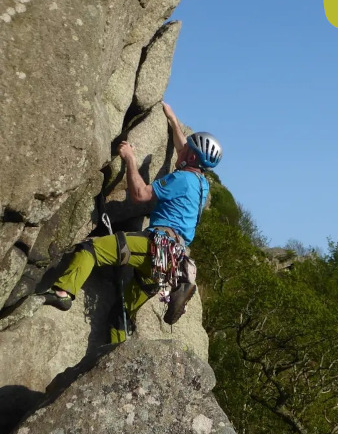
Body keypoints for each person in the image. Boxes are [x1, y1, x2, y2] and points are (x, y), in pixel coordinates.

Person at [41, 103, 222, 343]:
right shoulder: (201, 184)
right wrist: (173, 121)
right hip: (168, 265)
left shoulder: (182, 178)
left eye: (188, 148)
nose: (184, 147)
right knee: (122, 313)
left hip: (155, 246)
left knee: (90, 249)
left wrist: (129, 159)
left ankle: (63, 292)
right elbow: (183, 149)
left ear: (191, 156)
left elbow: (140, 195)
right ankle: (117, 354)